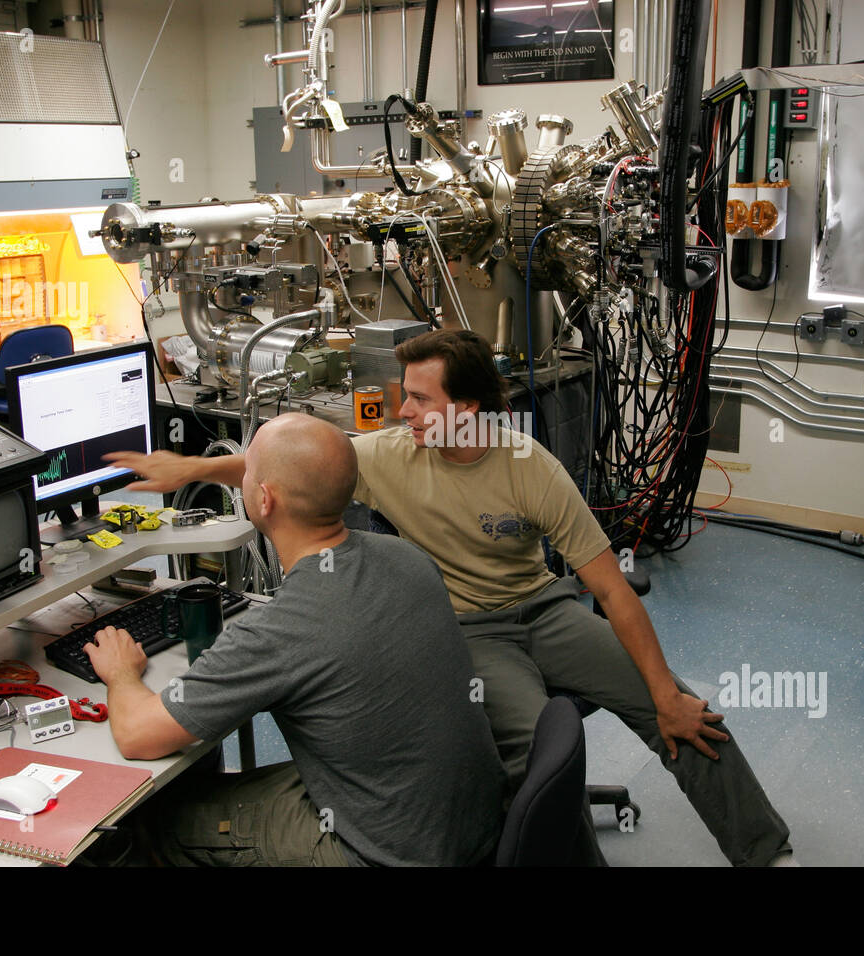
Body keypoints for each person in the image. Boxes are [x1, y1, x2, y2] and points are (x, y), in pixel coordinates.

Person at [106, 331, 792, 866]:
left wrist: (665, 694)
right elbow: (297, 464)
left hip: (545, 609)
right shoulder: (393, 455)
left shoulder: (531, 469)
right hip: (470, 632)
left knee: (682, 711)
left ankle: (765, 851)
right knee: (532, 760)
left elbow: (612, 589)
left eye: (420, 399)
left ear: (466, 410)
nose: (403, 412)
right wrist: (190, 469)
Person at [86, 412, 505, 866]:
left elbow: (137, 735)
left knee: (155, 819)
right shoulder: (407, 557)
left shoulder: (282, 629)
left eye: (248, 472)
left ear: (264, 499)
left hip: (383, 852)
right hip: (469, 823)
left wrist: (121, 673)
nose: (242, 476)